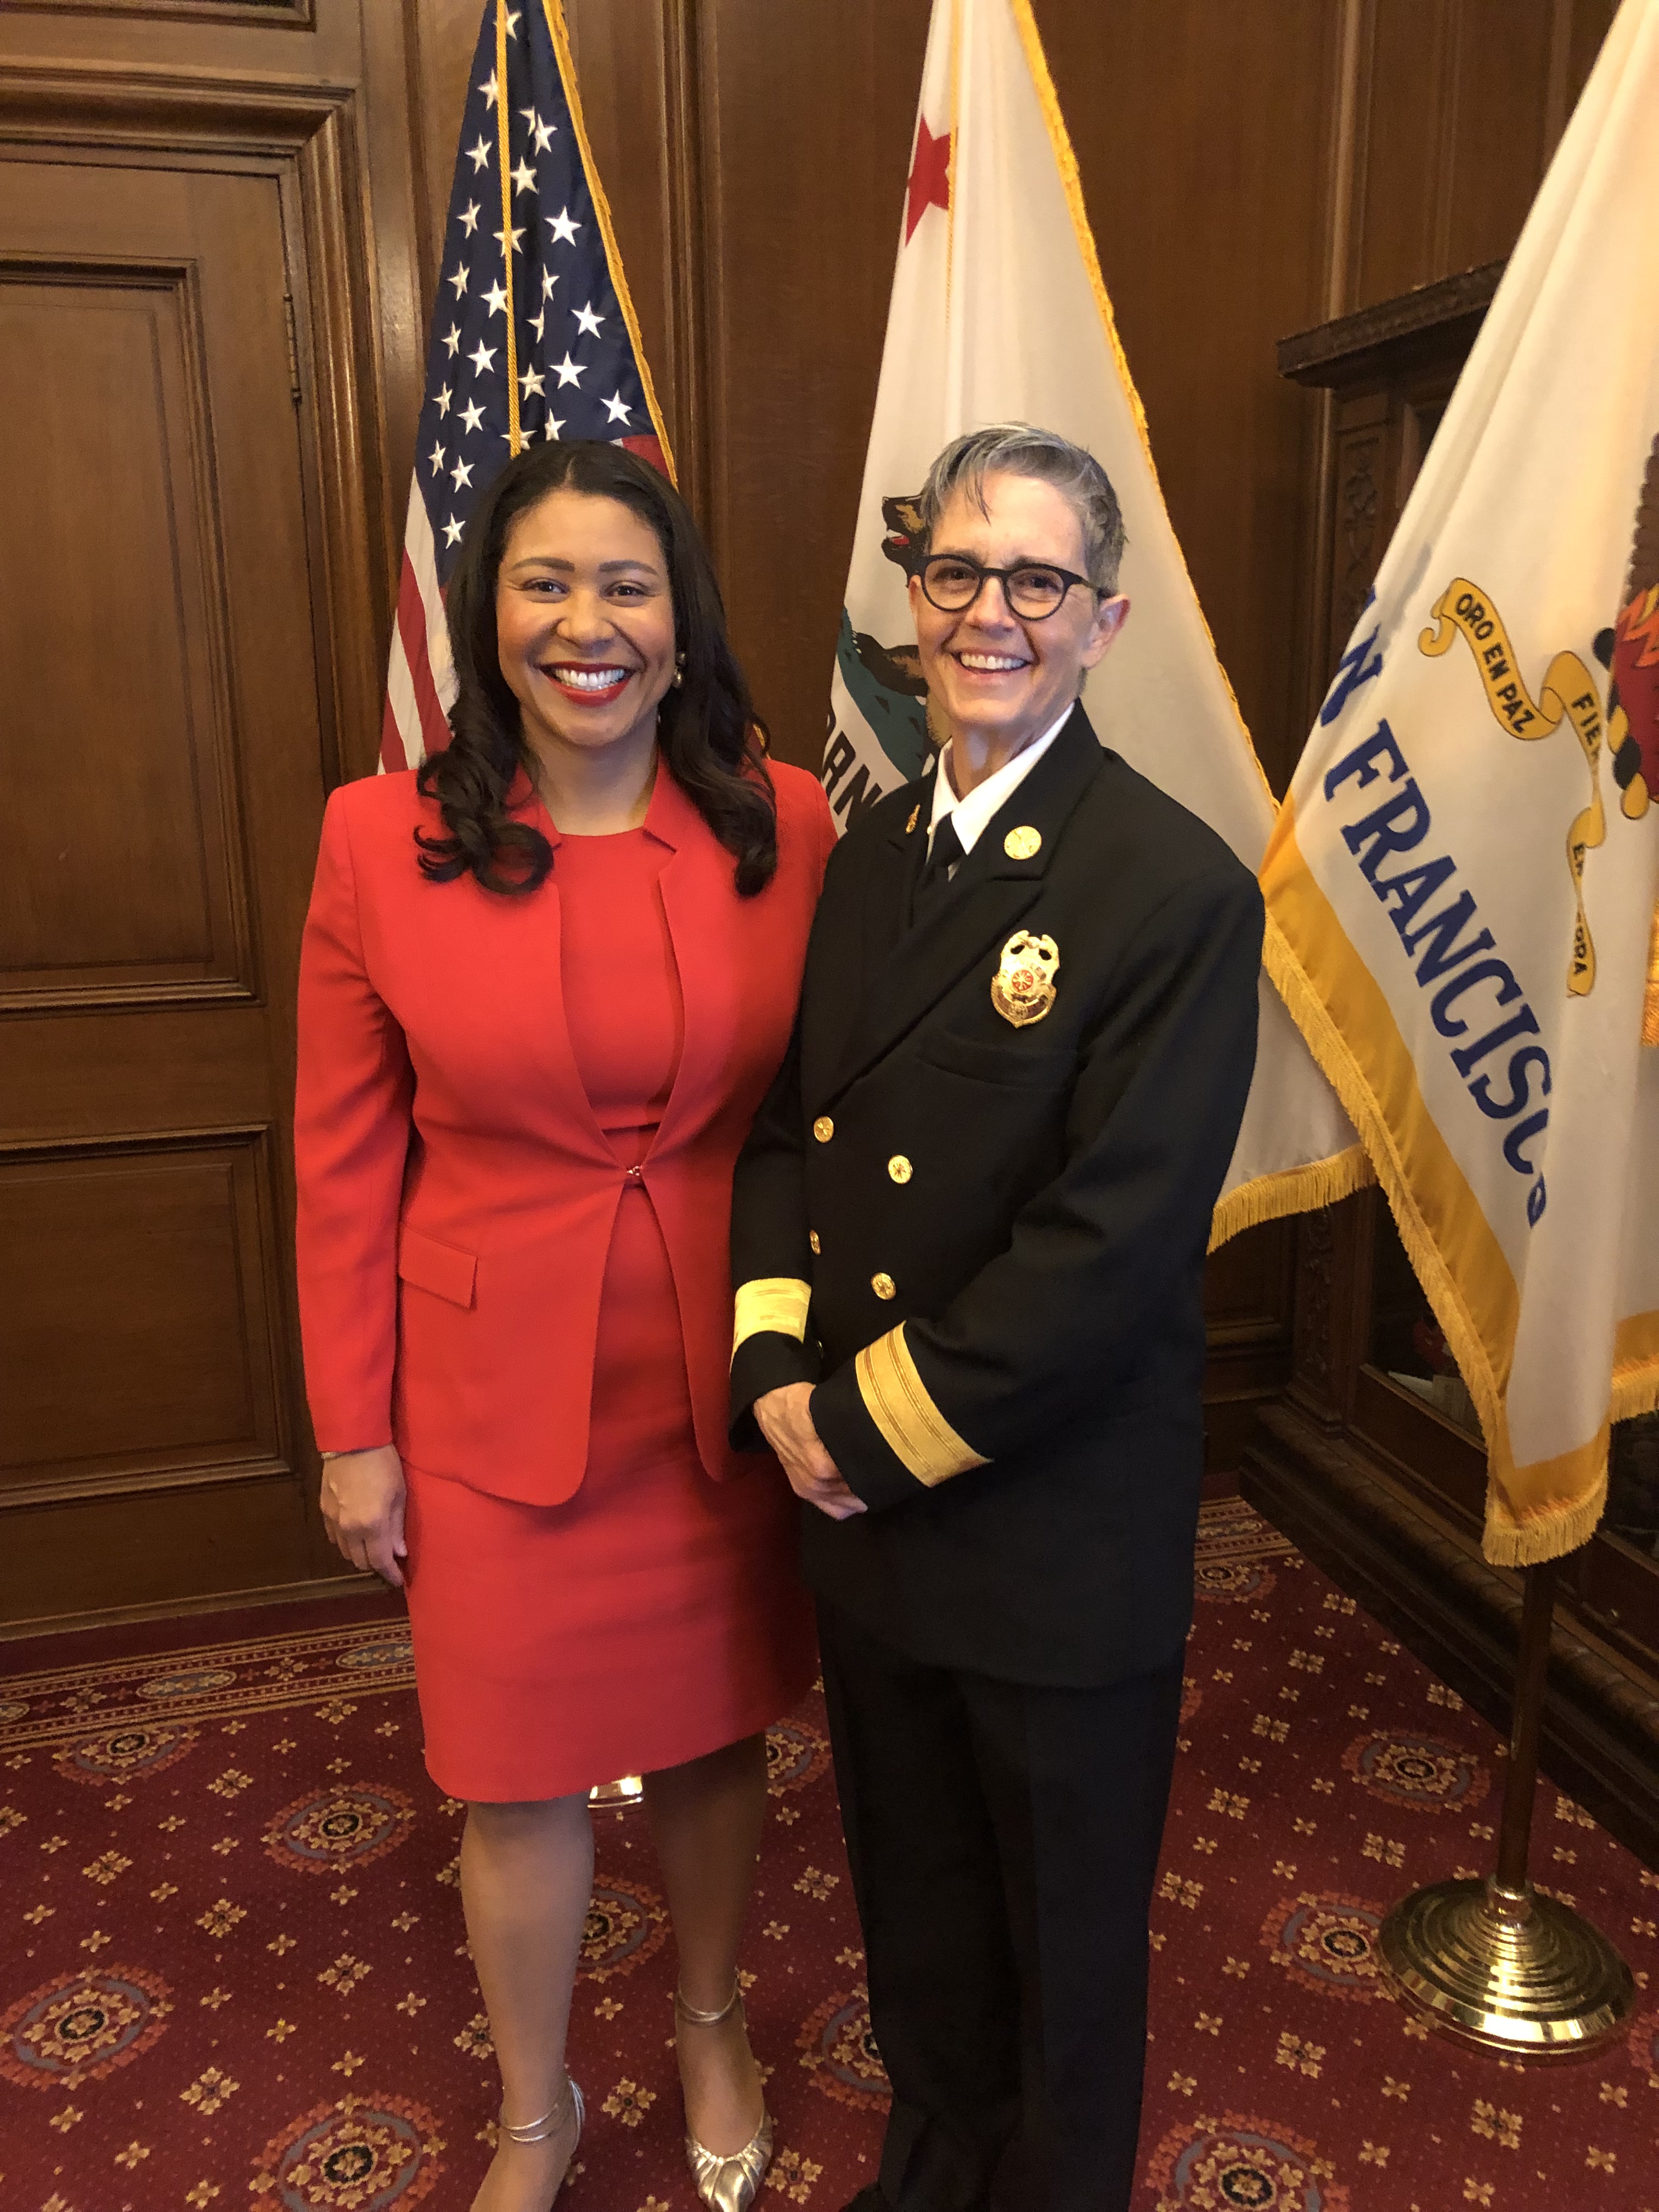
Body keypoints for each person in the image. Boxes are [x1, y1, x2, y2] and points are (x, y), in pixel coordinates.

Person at [729, 424, 1263, 2212]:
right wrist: (775, 1367)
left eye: (1036, 580)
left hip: (1042, 1545)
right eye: (956, 572)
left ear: (1103, 621)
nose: (990, 613)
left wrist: (860, 1431)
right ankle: (931, 2174)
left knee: (1062, 1976)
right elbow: (799, 1129)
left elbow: (1107, 1248)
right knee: (923, 1917)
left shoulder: (1172, 889)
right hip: (871, 1526)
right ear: (911, 602)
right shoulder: (869, 851)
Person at [294, 441, 833, 2212]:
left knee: (710, 1736)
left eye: (626, 585)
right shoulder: (378, 839)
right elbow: (344, 1158)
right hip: (484, 1403)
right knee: (511, 1781)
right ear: (487, 619)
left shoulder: (786, 820)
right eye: (545, 584)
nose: (585, 623)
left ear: (681, 628)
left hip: (718, 1387)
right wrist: (353, 1432)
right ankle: (540, 2110)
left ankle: (704, 2021)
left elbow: (834, 1111)